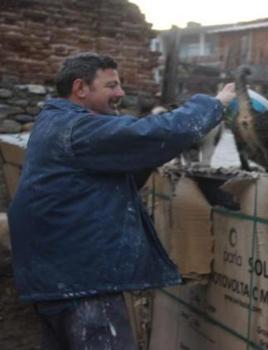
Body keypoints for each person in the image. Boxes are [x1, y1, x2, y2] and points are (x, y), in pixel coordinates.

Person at [7, 52, 235, 349]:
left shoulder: (55, 122)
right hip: (82, 285)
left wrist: (146, 156)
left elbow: (103, 177)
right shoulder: (78, 129)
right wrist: (214, 104)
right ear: (80, 89)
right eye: (111, 86)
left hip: (54, 278)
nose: (121, 93)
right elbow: (154, 133)